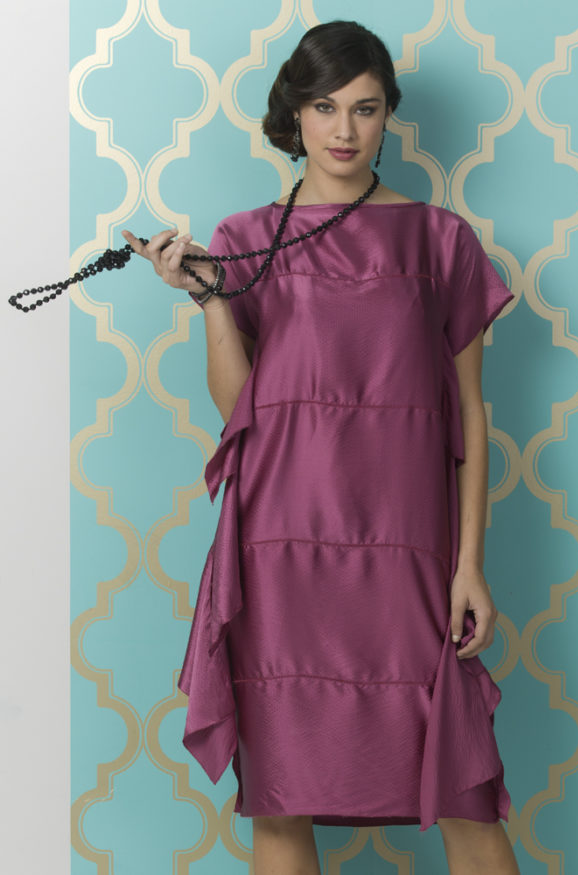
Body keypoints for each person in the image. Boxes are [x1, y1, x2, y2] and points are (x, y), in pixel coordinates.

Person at [123, 19, 519, 875]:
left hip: (409, 546)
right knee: (282, 794)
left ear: (388, 117)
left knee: (465, 791)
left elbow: (471, 412)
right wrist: (211, 298)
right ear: (294, 116)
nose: (344, 129)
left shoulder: (441, 240)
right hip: (281, 547)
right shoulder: (245, 237)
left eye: (365, 109)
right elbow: (239, 405)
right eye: (325, 107)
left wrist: (470, 564)